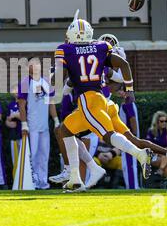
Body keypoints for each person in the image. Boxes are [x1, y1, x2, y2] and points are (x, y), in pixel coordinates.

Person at [51, 10, 154, 192]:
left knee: (108, 136)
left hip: (89, 99)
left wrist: (53, 80)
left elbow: (59, 76)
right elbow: (124, 65)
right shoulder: (101, 46)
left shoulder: (65, 49)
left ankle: (140, 154)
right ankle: (75, 177)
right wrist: (129, 90)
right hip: (95, 99)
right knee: (65, 130)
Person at [18, 57, 60, 190]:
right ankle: (32, 182)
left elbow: (51, 103)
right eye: (32, 64)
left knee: (44, 155)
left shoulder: (46, 82)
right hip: (32, 125)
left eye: (37, 63)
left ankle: (43, 182)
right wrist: (24, 124)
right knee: (33, 155)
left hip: (44, 126)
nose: (35, 66)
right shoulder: (25, 83)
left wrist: (56, 120)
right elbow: (21, 105)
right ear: (28, 68)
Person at [118, 91, 141, 189]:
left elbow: (132, 119)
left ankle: (132, 187)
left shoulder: (128, 103)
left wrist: (134, 136)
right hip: (128, 138)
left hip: (128, 139)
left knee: (129, 164)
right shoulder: (128, 104)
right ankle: (132, 186)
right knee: (128, 164)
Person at [146, 111, 167, 178]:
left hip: (164, 155)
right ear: (157, 122)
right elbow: (149, 146)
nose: (164, 123)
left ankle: (161, 171)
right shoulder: (151, 131)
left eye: (166, 121)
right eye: (162, 121)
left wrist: (162, 153)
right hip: (153, 155)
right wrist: (160, 152)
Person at [5, 85, 22, 178]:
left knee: (24, 157)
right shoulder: (10, 105)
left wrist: (15, 115)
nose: (16, 91)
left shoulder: (25, 103)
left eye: (17, 89)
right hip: (14, 135)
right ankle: (16, 178)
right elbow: (7, 119)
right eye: (14, 89)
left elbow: (26, 117)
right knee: (14, 158)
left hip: (23, 134)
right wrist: (8, 123)